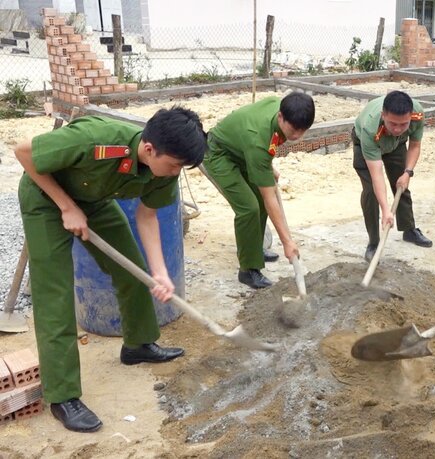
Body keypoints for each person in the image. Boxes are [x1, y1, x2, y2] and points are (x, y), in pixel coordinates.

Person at [14, 107, 208, 433]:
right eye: (173, 164)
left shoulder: (164, 169)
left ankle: (137, 345)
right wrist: (66, 206)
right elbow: (23, 151)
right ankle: (62, 397)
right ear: (149, 149)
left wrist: (159, 272)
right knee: (55, 294)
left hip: (93, 200)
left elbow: (147, 217)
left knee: (132, 270)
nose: (176, 172)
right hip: (45, 197)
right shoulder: (96, 140)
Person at [203, 92, 315, 289]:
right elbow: (269, 197)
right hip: (219, 153)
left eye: (303, 130)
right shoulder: (258, 140)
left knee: (260, 202)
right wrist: (287, 242)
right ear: (281, 117)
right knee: (249, 208)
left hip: (243, 150)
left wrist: (267, 166)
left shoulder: (279, 108)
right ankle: (248, 270)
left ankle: (254, 249)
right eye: (294, 129)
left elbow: (265, 144)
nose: (297, 136)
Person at [352, 90, 432, 261]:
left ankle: (409, 229)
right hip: (368, 145)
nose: (397, 128)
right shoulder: (370, 127)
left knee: (402, 185)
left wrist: (407, 172)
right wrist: (386, 210)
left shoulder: (417, 114)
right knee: (371, 192)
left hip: (397, 145)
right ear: (383, 115)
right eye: (393, 123)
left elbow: (415, 145)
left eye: (403, 124)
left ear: (410, 116)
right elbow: (376, 174)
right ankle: (374, 242)